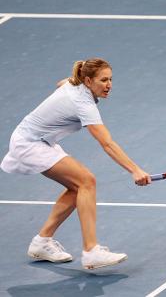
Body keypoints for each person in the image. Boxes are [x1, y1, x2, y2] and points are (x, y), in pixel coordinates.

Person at [1, 58, 151, 269]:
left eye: (110, 79)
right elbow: (107, 143)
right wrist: (134, 170)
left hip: (38, 139)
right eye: (103, 80)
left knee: (77, 187)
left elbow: (61, 83)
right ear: (88, 81)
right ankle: (91, 251)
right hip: (30, 143)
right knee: (86, 182)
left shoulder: (76, 84)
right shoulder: (84, 104)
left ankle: (41, 242)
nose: (109, 85)